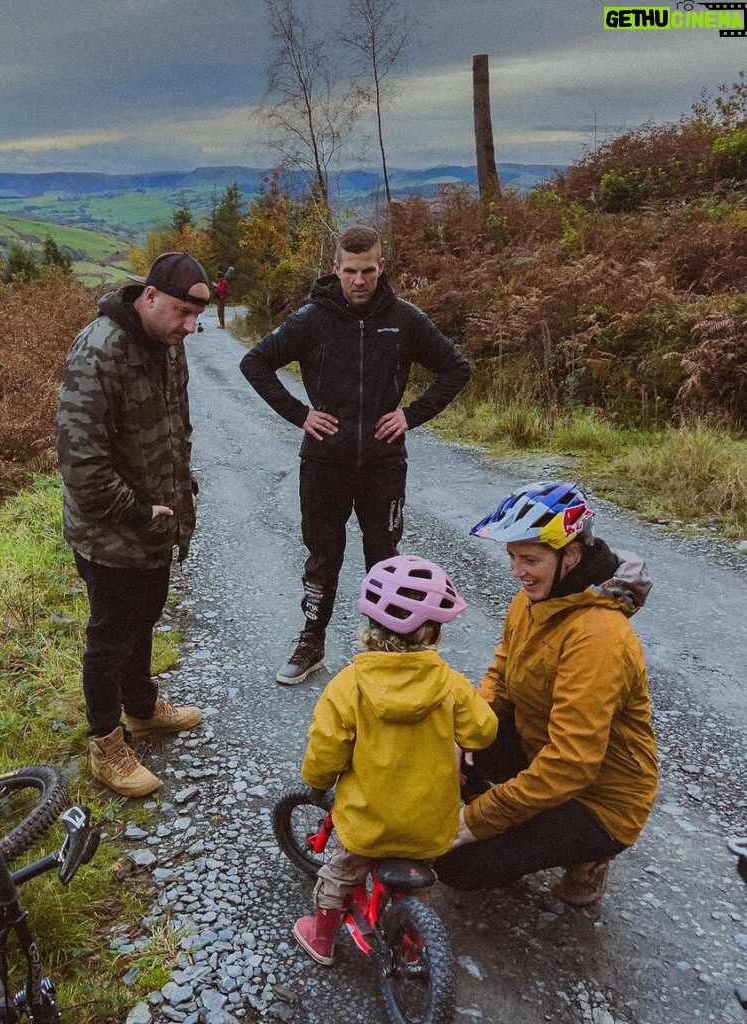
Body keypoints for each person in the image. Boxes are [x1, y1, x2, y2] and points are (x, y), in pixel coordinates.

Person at [239, 224, 471, 686]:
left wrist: (410, 416)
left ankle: (388, 645)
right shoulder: (311, 319)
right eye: (350, 271)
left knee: (383, 555)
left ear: (381, 266)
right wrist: (301, 414)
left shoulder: (404, 318)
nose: (359, 281)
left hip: (384, 463)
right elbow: (255, 363)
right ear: (335, 268)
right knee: (323, 555)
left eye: (368, 271)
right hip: (324, 461)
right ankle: (312, 639)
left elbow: (456, 368)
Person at [433, 481, 659, 907]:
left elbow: (572, 765)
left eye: (530, 559)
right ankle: (521, 817)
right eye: (513, 557)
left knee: (455, 866)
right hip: (541, 743)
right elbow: (501, 671)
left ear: (570, 556)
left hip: (601, 797)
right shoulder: (536, 597)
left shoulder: (598, 637)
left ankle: (589, 855)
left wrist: (478, 819)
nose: (517, 571)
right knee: (445, 745)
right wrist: (467, 730)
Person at [55, 252, 210, 798]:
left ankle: (141, 708)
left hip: (156, 524)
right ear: (148, 297)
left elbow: (177, 427)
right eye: (180, 313)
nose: (189, 328)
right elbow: (81, 463)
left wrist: (179, 492)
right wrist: (138, 511)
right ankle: (105, 743)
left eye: (196, 317)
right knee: (110, 633)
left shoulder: (170, 348)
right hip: (111, 530)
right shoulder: (98, 351)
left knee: (145, 615)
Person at [293, 555, 497, 965]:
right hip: (429, 826)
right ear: (433, 633)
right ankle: (412, 943)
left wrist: (316, 783)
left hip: (368, 824)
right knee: (420, 881)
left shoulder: (348, 686)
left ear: (369, 627)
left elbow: (326, 750)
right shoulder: (452, 686)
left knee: (339, 873)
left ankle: (321, 938)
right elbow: (483, 731)